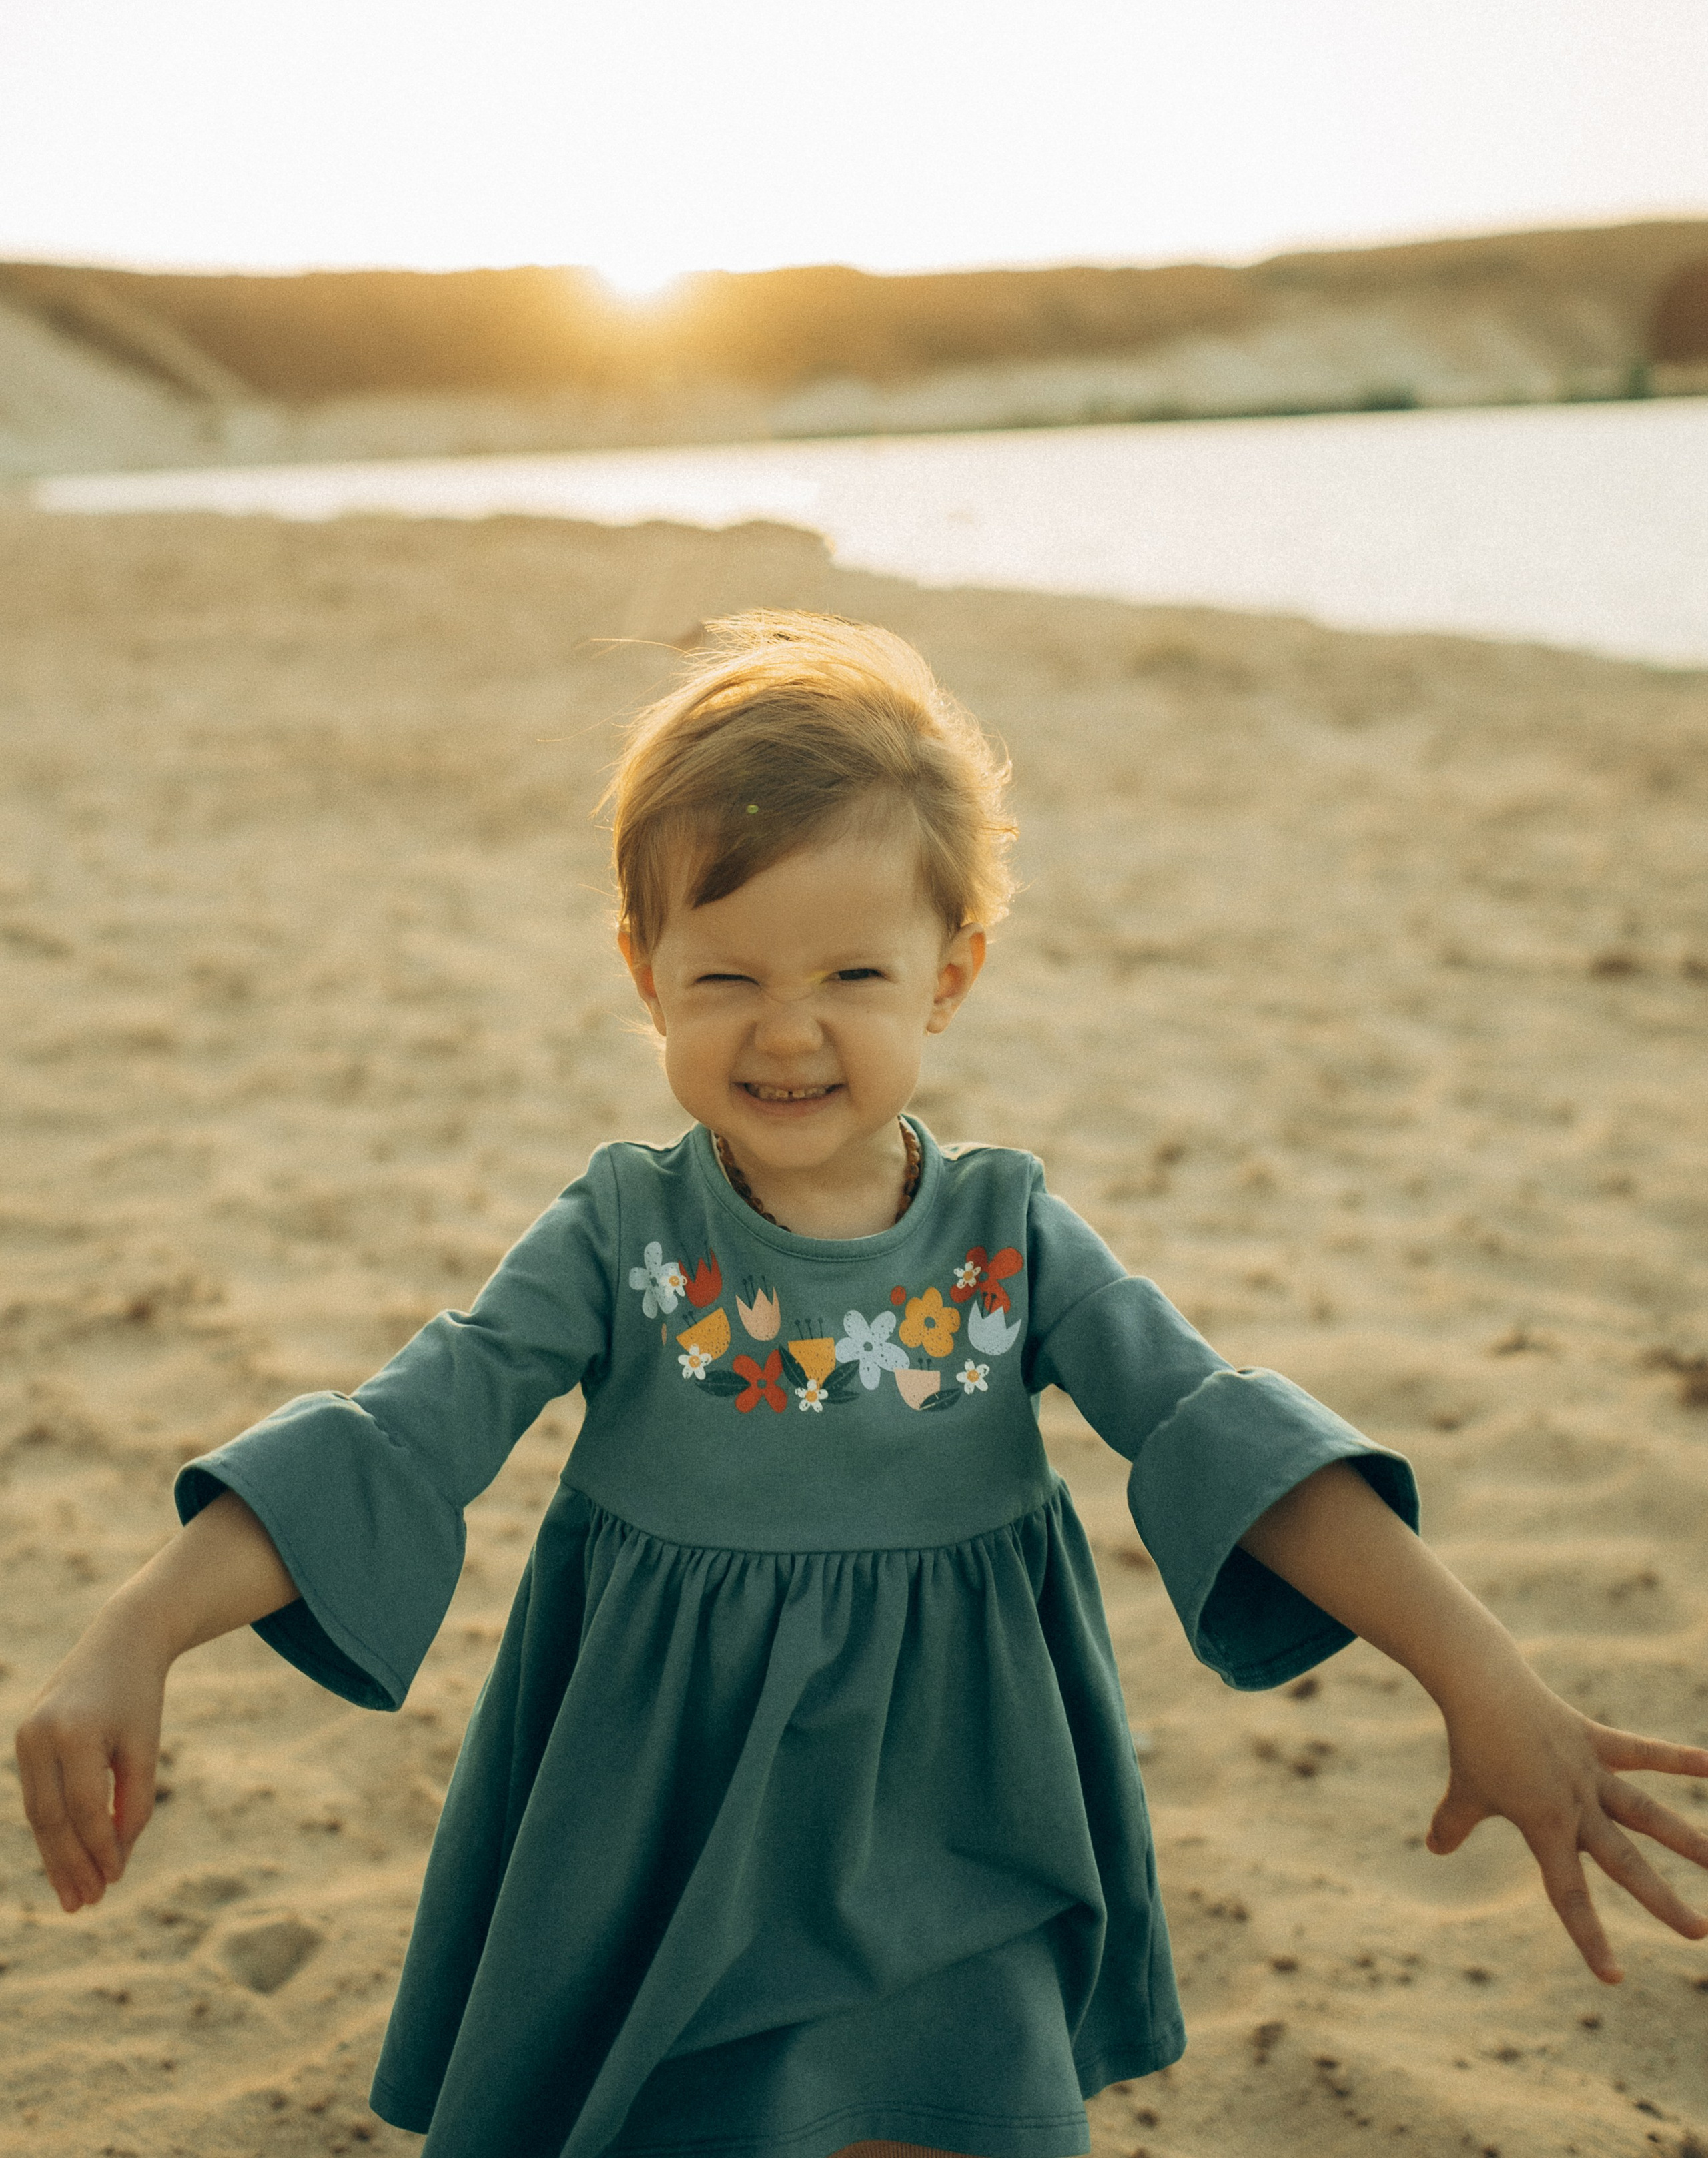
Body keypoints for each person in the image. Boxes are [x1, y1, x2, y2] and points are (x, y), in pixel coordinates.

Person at [17, 611, 1708, 2158]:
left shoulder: (1007, 1237)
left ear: (949, 977)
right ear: (642, 975)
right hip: (667, 1833)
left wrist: (1478, 1673)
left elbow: (1218, 1436)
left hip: (955, 1815)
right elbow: (411, 1431)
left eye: (852, 978)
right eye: (727, 977)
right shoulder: (623, 1235)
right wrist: (138, 1627)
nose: (786, 1032)